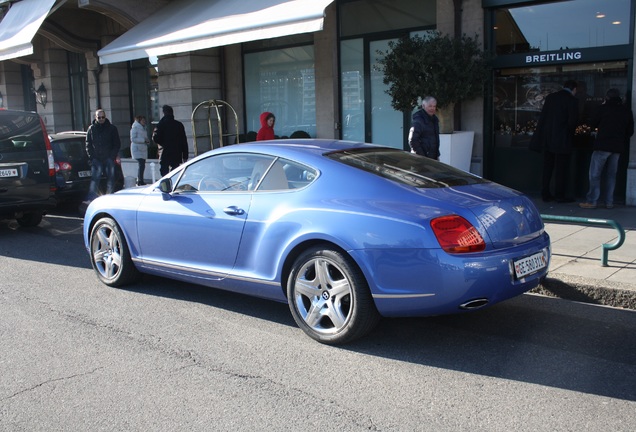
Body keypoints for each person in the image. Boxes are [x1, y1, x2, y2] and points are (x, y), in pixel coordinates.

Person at [579, 89, 634, 209]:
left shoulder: (603, 109)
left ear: (607, 97)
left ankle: (592, 201)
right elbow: (630, 131)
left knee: (595, 174)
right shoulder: (626, 111)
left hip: (602, 145)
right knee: (611, 175)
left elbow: (593, 123)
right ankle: (609, 201)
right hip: (617, 147)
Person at [529, 80, 578, 202]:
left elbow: (544, 116)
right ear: (574, 89)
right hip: (563, 139)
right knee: (561, 169)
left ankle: (545, 193)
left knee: (548, 167)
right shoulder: (572, 100)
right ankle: (559, 195)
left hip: (548, 138)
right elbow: (572, 122)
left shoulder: (551, 98)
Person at [85, 108, 120, 200]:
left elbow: (117, 144)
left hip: (108, 157)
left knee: (111, 179)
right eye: (99, 117)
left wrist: (112, 156)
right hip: (96, 158)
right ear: (95, 117)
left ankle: (110, 197)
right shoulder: (91, 129)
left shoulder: (112, 128)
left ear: (105, 117)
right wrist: (92, 156)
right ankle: (91, 198)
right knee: (94, 179)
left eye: (103, 117)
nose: (101, 119)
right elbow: (88, 143)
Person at [152, 105, 189, 176]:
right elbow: (184, 141)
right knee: (175, 173)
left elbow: (155, 138)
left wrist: (162, 144)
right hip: (176, 152)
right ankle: (173, 185)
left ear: (164, 113)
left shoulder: (161, 124)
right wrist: (185, 155)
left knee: (164, 174)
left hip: (164, 152)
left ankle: (166, 186)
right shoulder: (178, 125)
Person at [130, 115, 149, 186]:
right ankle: (140, 180)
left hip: (142, 149)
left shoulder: (143, 128)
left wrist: (146, 141)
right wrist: (143, 140)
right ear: (139, 121)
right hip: (137, 149)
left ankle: (140, 179)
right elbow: (133, 139)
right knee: (141, 165)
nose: (144, 122)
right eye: (142, 120)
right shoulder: (135, 128)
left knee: (142, 165)